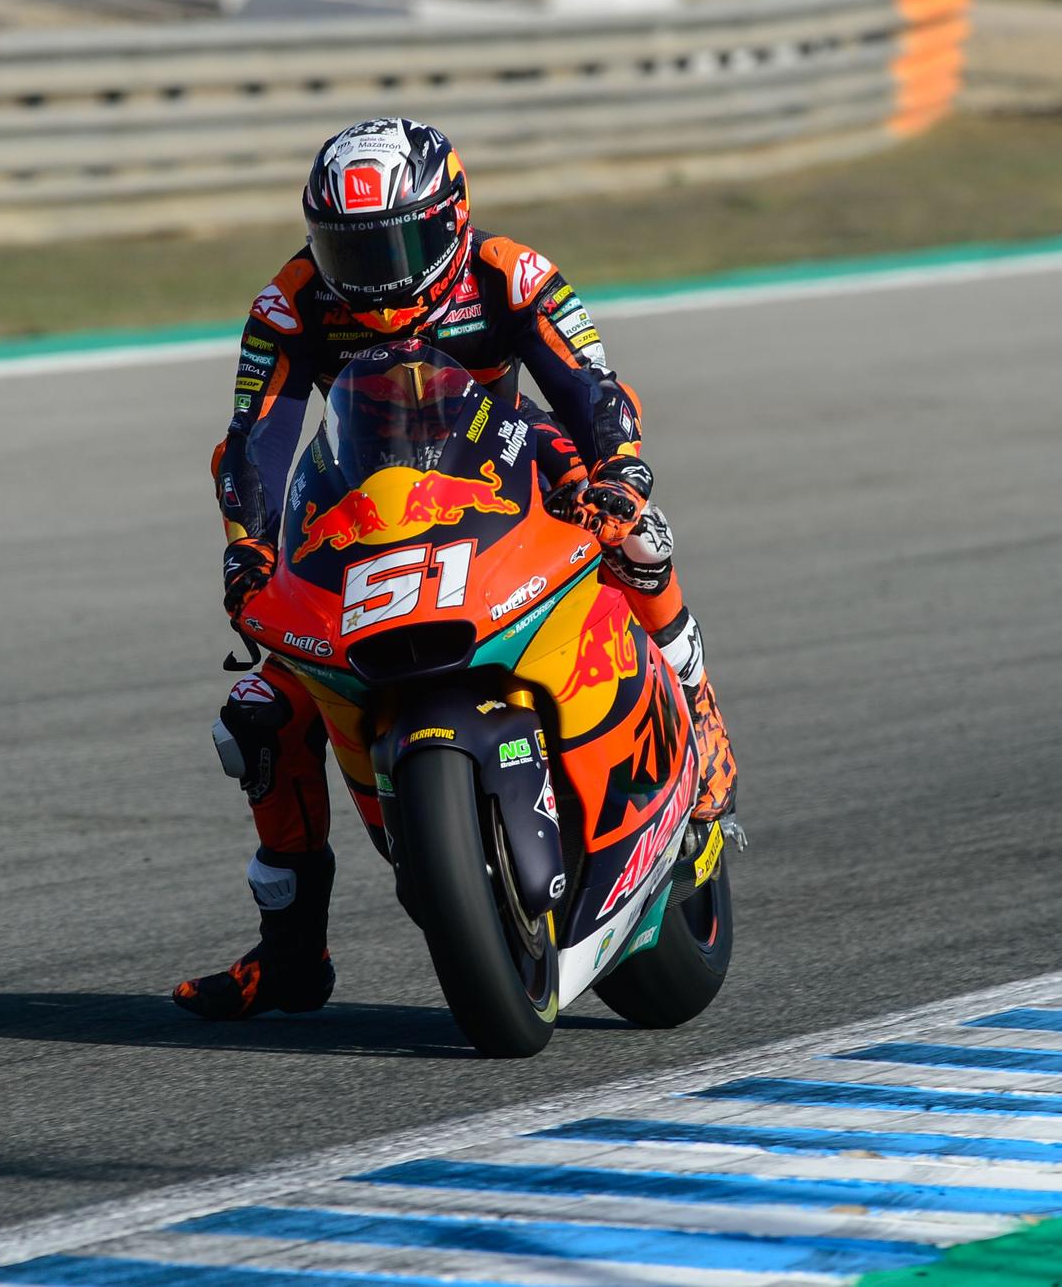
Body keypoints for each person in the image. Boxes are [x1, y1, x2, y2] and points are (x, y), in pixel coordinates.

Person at [175, 117, 740, 1020]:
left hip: (508, 460)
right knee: (258, 718)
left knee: (638, 531)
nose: (375, 272)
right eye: (348, 247)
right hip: (363, 500)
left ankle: (698, 707)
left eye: (397, 243)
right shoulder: (290, 305)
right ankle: (291, 953)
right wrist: (246, 543)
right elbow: (257, 442)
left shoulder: (509, 274)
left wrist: (618, 465)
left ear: (451, 219)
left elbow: (590, 385)